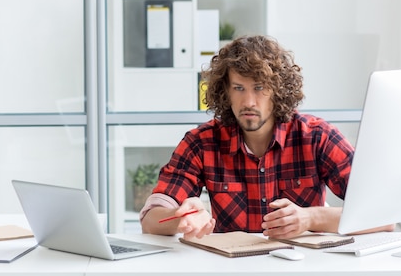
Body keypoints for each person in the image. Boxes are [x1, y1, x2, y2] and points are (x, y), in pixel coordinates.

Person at [140, 35, 381, 240]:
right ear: (225, 91)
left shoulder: (317, 137)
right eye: (238, 88)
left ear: (279, 91)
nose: (248, 102)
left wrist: (310, 217)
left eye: (259, 88)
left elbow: (382, 215)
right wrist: (183, 219)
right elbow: (151, 219)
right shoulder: (201, 142)